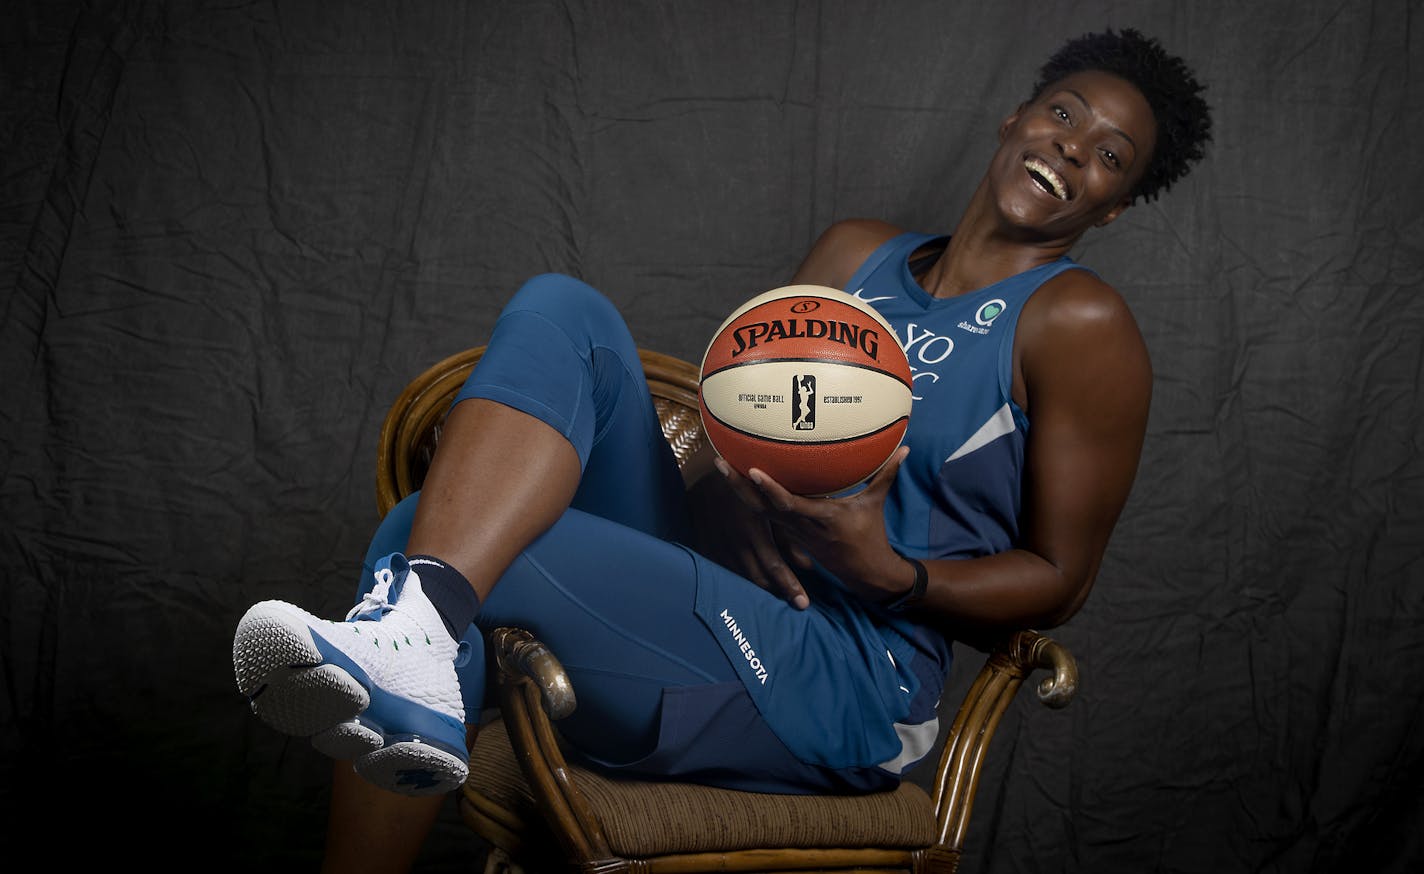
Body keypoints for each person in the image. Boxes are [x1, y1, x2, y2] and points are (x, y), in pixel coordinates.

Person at [232, 27, 1211, 870]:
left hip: (845, 676)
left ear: (1112, 207)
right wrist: (724, 474)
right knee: (565, 309)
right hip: (708, 574)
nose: (1072, 151)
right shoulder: (849, 256)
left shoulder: (1076, 322)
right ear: (1014, 116)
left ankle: (413, 630)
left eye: (1109, 158)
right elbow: (723, 436)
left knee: (426, 532)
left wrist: (890, 571)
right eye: (1064, 115)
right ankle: (413, 637)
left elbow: (1059, 578)